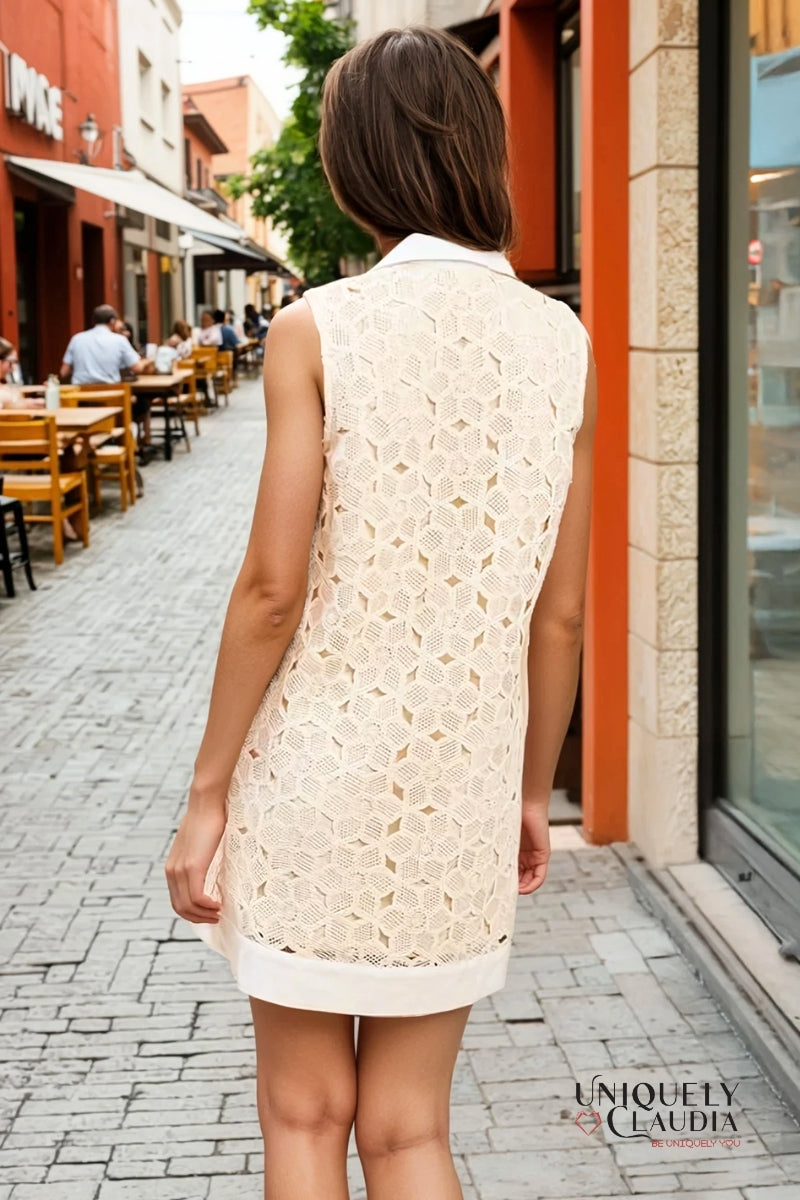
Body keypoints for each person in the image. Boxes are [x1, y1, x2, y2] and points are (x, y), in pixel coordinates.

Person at [165, 25, 595, 1200]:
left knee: (303, 1120)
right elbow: (557, 619)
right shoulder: (563, 343)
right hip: (458, 785)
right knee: (412, 1132)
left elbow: (270, 590)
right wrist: (525, 791)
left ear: (359, 164)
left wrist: (206, 796)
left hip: (310, 779)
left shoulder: (319, 328)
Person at [60, 305, 152, 385]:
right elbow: (137, 368)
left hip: (79, 396)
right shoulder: (119, 340)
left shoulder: (76, 339)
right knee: (140, 401)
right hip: (111, 395)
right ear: (112, 321)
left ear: (94, 321)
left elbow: (64, 372)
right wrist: (144, 363)